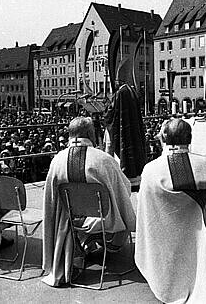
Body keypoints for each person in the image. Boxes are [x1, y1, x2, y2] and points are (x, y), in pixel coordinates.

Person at [135, 119, 206, 303]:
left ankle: (170, 282)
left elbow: (147, 213)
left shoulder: (150, 170)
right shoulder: (205, 165)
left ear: (164, 138)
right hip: (203, 236)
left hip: (167, 241)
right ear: (190, 138)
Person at [42, 117, 136, 287]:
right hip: (103, 218)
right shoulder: (104, 160)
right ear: (91, 134)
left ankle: (81, 243)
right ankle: (106, 243)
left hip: (69, 221)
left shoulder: (57, 160)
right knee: (122, 207)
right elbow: (125, 188)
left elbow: (51, 200)